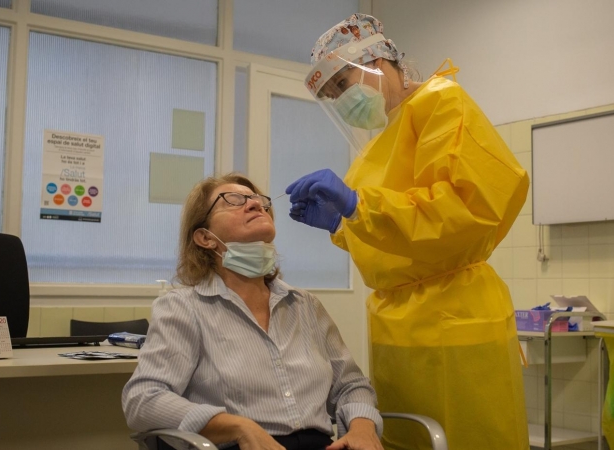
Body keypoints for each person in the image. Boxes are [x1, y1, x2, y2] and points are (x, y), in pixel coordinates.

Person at [285, 14, 530, 450]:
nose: (342, 100)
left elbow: (465, 209)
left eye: (343, 84)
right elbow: (390, 235)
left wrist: (360, 207)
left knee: (465, 437)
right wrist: (343, 225)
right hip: (396, 325)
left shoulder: (441, 102)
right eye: (332, 95)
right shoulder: (380, 140)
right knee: (407, 435)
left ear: (379, 60)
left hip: (452, 315)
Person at [122, 173, 383, 450]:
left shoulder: (306, 305)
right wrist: (239, 427)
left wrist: (362, 427)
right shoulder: (184, 307)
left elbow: (351, 386)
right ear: (204, 238)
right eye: (233, 201)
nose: (255, 205)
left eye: (259, 201)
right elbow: (144, 399)